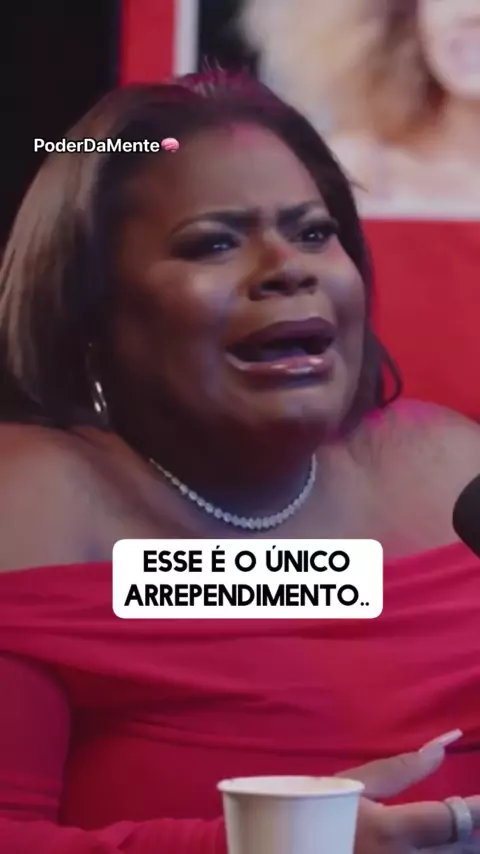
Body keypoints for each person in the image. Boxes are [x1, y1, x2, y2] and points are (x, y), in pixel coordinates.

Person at [0, 70, 480, 853]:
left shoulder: (448, 469)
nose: (289, 267)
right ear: (92, 307)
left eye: (314, 233)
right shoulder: (31, 503)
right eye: (214, 243)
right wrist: (285, 840)